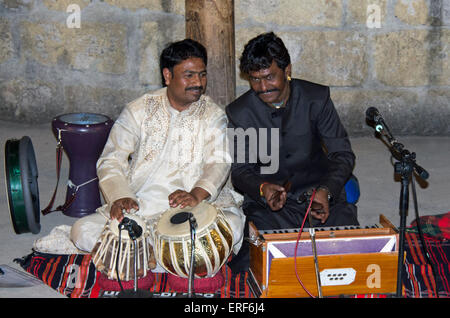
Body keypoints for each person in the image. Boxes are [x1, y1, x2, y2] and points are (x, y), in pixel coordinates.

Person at [69, 39, 245, 282]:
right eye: (189, 75)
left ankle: (141, 257)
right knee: (81, 231)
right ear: (167, 75)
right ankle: (173, 258)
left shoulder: (213, 115)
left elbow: (219, 162)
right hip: (142, 204)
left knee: (233, 228)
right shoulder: (139, 109)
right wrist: (120, 196)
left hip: (194, 205)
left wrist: (197, 193)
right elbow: (111, 159)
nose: (198, 83)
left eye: (202, 75)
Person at [225, 32, 359, 273]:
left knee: (351, 259)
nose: (263, 88)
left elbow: (343, 154)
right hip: (273, 209)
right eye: (255, 80)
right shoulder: (240, 113)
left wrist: (326, 191)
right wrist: (263, 189)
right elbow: (240, 172)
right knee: (255, 268)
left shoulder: (316, 99)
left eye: (269, 77)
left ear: (287, 69)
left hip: (320, 201)